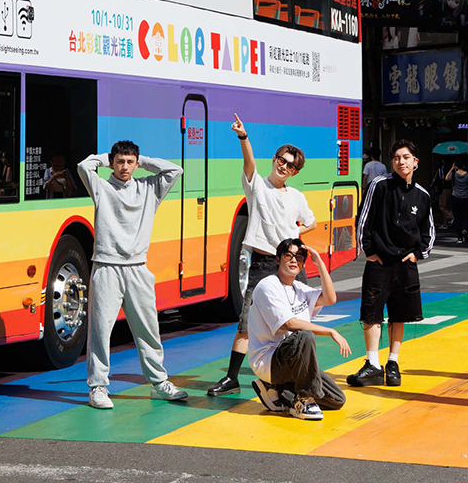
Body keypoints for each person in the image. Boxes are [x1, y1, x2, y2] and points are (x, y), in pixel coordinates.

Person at [207, 115, 316, 397]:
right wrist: (244, 138)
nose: (284, 166)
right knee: (246, 323)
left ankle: (291, 380)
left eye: (291, 165)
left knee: (295, 325)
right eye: (282, 160)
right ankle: (232, 378)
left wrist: (298, 230)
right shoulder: (257, 186)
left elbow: (311, 222)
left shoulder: (297, 197)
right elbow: (249, 164)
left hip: (291, 266)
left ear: (295, 172)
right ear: (275, 159)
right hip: (263, 264)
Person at [78, 140, 187, 409]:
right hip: (106, 267)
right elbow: (84, 165)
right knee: (101, 331)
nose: (125, 167)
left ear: (136, 164)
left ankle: (158, 383)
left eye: (130, 162)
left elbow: (175, 171)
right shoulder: (101, 187)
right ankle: (98, 387)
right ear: (112, 163)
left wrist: (142, 159)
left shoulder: (149, 188)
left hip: (138, 268)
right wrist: (107, 157)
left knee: (148, 329)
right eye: (120, 161)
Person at [347, 139, 434, 388]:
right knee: (372, 312)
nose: (401, 161)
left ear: (415, 162)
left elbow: (428, 230)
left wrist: (419, 254)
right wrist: (369, 250)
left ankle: (393, 362)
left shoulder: (423, 195)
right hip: (379, 261)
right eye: (396, 157)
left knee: (400, 315)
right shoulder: (379, 185)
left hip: (406, 264)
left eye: (406, 157)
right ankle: (372, 363)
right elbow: (364, 218)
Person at [249, 238, 351, 420]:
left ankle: (277, 390)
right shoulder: (267, 286)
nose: (294, 260)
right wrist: (330, 331)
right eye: (288, 255)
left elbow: (330, 299)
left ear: (303, 265)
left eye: (299, 257)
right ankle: (303, 400)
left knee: (336, 399)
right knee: (304, 335)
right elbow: (288, 324)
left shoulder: (299, 288)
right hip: (269, 360)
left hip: (292, 360)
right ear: (278, 259)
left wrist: (319, 263)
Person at [447, 157, 468, 244]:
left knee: (457, 217)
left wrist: (451, 169)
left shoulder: (454, 174)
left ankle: (459, 237)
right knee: (466, 215)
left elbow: (446, 178)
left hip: (455, 197)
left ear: (456, 165)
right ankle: (465, 228)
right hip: (466, 197)